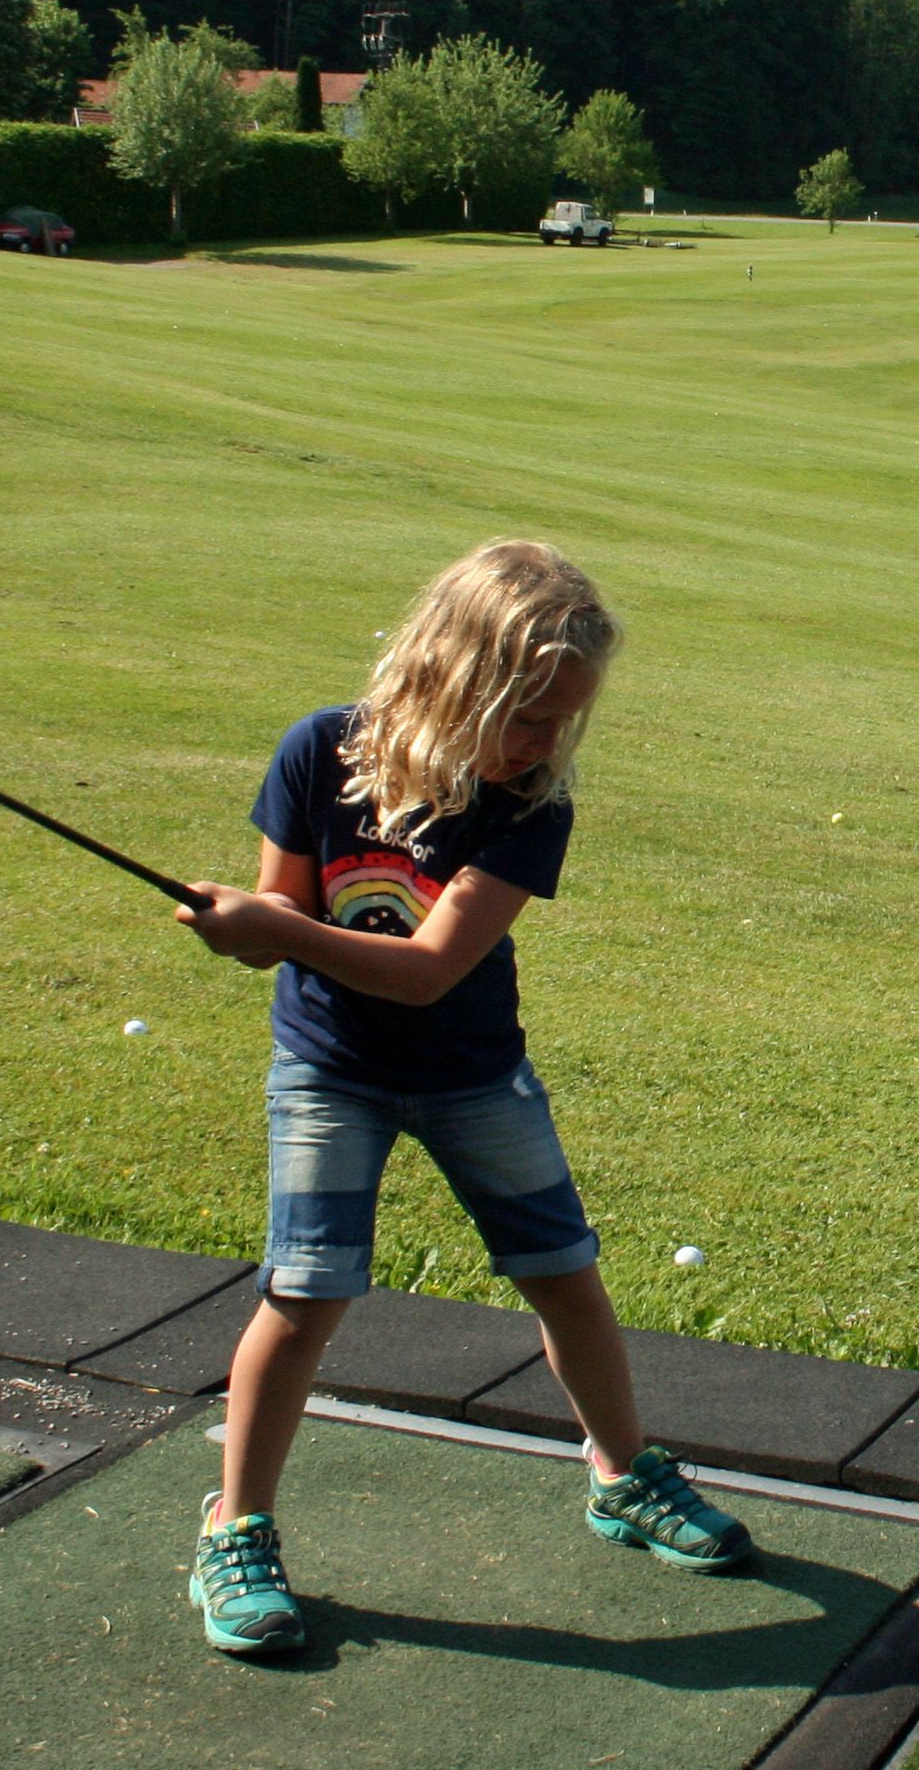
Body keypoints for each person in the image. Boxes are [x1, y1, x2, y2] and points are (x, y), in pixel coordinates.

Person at [172, 539, 749, 1657]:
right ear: (453, 673)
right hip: (330, 1072)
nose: (543, 744)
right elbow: (282, 917)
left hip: (473, 1073)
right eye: (526, 717)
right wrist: (244, 929)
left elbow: (429, 969)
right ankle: (234, 1527)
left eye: (562, 723)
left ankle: (622, 1473)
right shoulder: (318, 752)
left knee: (563, 1273)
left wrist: (275, 931)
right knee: (304, 1293)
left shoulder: (531, 805)